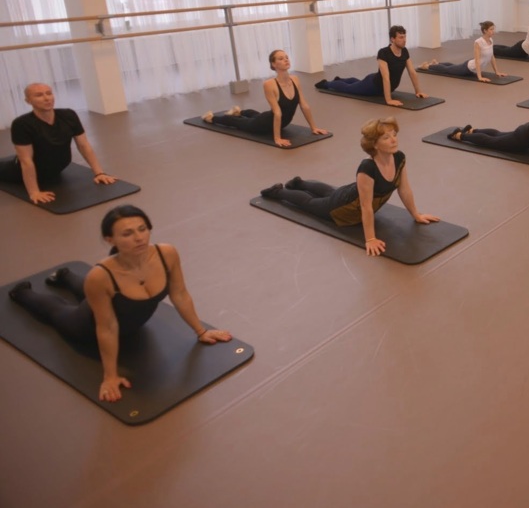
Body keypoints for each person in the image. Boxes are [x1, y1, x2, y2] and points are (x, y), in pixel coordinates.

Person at [8, 205, 233, 402]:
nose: (139, 238)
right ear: (110, 239)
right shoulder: (101, 276)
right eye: (127, 233)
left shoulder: (167, 253)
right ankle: (22, 293)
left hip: (130, 321)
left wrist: (201, 331)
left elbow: (180, 294)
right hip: (87, 327)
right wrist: (110, 377)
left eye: (142, 229)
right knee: (58, 311)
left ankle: (64, 276)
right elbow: (107, 327)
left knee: (95, 291)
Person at [260, 117, 438, 256]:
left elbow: (404, 189)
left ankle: (299, 183)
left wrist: (416, 215)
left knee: (331, 192)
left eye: (394, 134)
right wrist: (370, 239)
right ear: (375, 145)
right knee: (310, 203)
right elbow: (366, 206)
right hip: (344, 208)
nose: (393, 140)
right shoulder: (367, 168)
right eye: (386, 137)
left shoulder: (399, 157)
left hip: (349, 193)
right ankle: (278, 191)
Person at [0, 83, 116, 205]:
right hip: (20, 172)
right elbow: (26, 160)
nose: (46, 98)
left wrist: (99, 173)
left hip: (56, 168)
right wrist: (34, 192)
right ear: (28, 101)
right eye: (39, 95)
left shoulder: (69, 115)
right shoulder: (21, 124)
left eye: (49, 93)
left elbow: (83, 145)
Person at [203, 49, 327, 147]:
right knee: (238, 122)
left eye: (286, 57)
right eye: (281, 59)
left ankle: (239, 111)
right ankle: (211, 118)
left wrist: (314, 128)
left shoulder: (295, 79)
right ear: (273, 64)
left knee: (257, 114)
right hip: (262, 125)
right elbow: (277, 112)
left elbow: (304, 105)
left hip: (279, 122)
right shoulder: (269, 84)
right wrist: (277, 138)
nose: (286, 60)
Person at [314, 25, 427, 107]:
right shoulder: (383, 53)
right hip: (373, 86)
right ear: (392, 39)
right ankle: (326, 83)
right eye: (401, 37)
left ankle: (340, 79)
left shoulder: (404, 51)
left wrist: (418, 91)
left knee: (357, 83)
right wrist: (388, 100)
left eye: (405, 37)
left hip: (380, 84)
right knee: (348, 89)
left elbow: (412, 72)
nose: (404, 40)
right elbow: (386, 77)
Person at [420, 21, 506, 83]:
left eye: (493, 29)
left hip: (472, 68)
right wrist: (479, 77)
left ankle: (437, 63)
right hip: (468, 68)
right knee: (448, 69)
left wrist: (497, 72)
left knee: (453, 66)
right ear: (485, 31)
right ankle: (427, 66)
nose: (493, 31)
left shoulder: (491, 40)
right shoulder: (478, 42)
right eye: (491, 29)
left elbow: (492, 57)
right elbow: (477, 60)